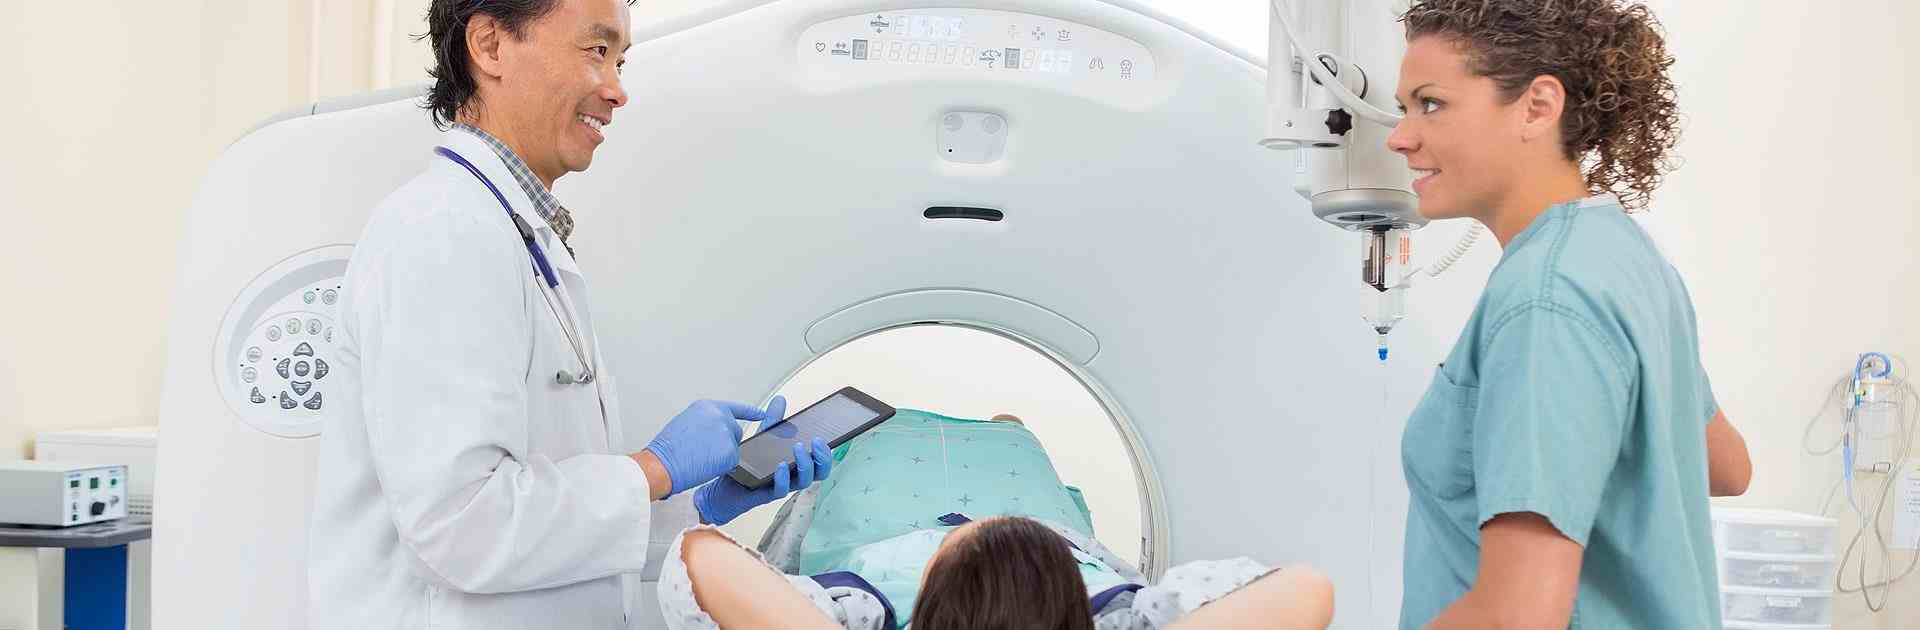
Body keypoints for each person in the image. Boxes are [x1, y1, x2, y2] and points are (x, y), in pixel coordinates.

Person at [306, 1, 828, 628]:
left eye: (620, 61)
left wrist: (699, 508)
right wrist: (653, 470)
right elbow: (461, 526)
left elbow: (541, 525)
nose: (617, 91)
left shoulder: (517, 233)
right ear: (491, 45)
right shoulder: (442, 232)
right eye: (596, 51)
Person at [1384, 1, 1753, 628]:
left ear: (1537, 107)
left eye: (1432, 104)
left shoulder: (1546, 298)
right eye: (1404, 108)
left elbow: (1518, 614)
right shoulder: (1626, 259)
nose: (1399, 137)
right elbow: (1726, 466)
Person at [654, 411, 1337, 630]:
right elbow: (1307, 589)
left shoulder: (860, 613)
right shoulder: (1120, 619)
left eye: (958, 541)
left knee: (871, 432)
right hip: (1030, 495)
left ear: (933, 580)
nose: (965, 523)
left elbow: (699, 555)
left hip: (884, 506)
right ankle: (1008, 436)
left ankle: (933, 429)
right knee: (1011, 430)